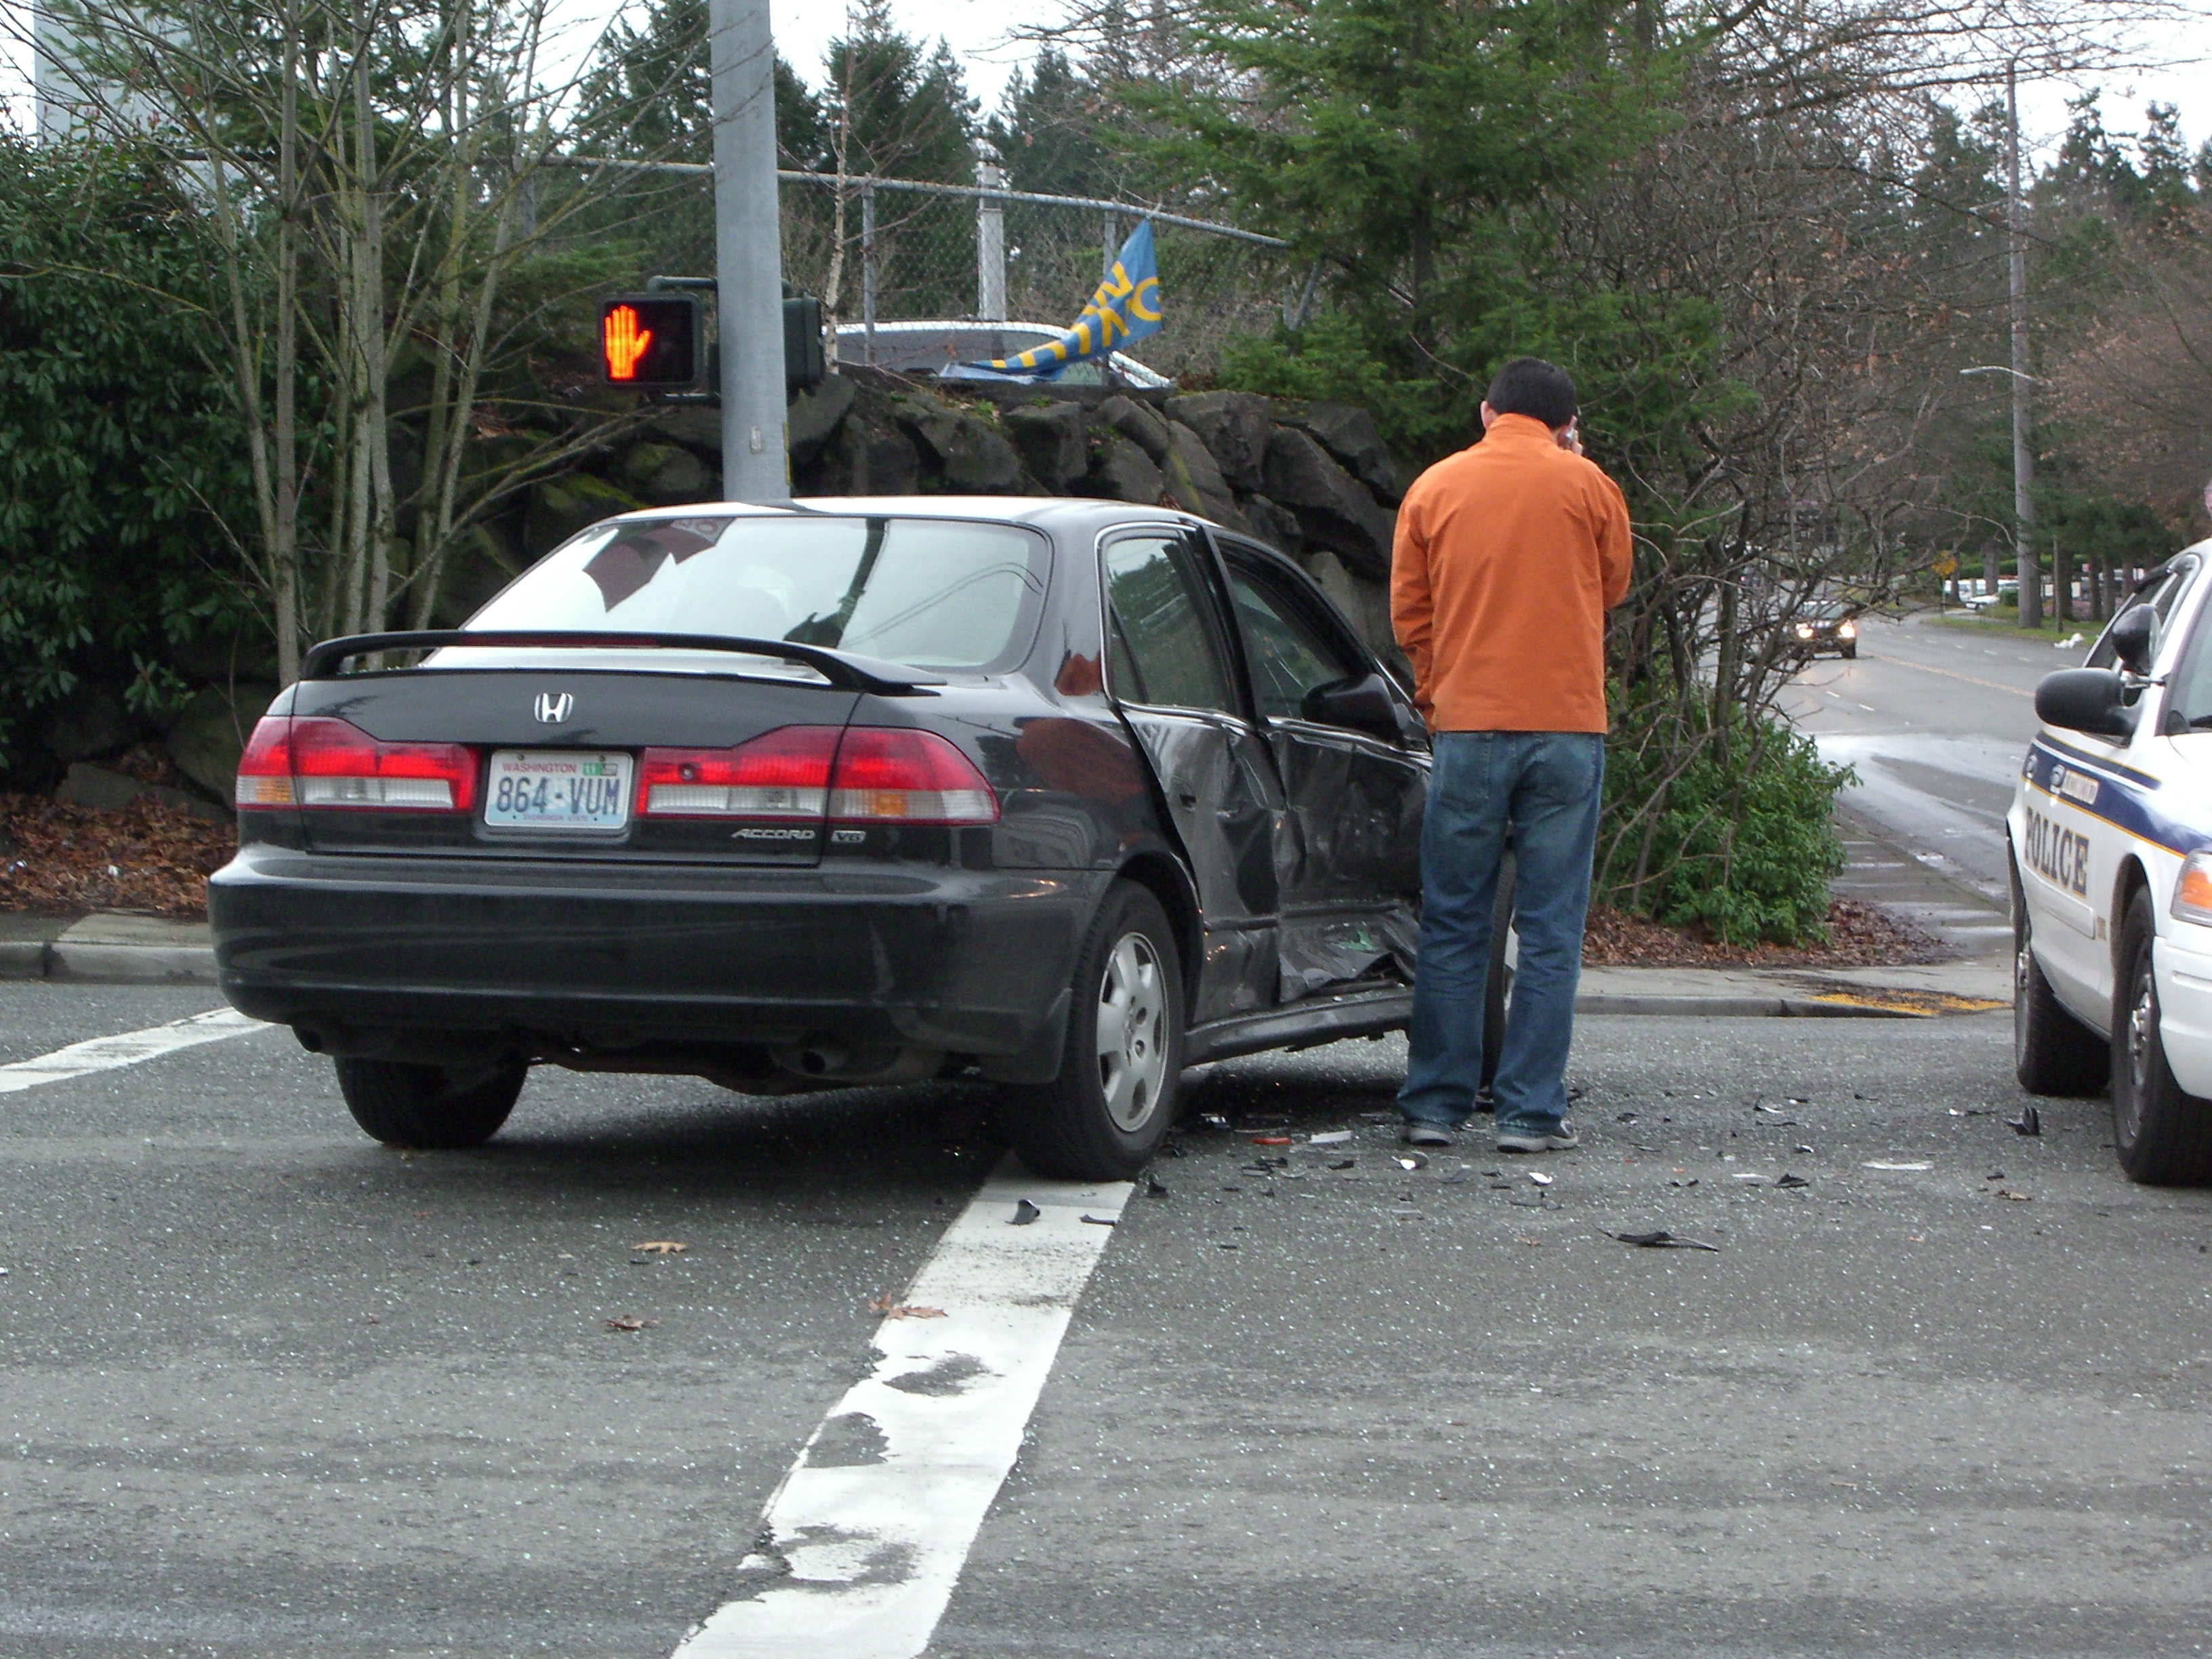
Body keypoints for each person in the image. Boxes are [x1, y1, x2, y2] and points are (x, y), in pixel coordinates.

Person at [1390, 357, 1633, 1153]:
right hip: (1566, 726)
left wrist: (1438, 694)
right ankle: (1530, 1111)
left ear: (1487, 410)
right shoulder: (1589, 485)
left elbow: (1410, 613)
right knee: (1551, 928)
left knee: (1455, 920)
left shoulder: (1435, 487)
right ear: (1567, 425)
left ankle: (1435, 1103)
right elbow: (1612, 586)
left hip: (1467, 726)